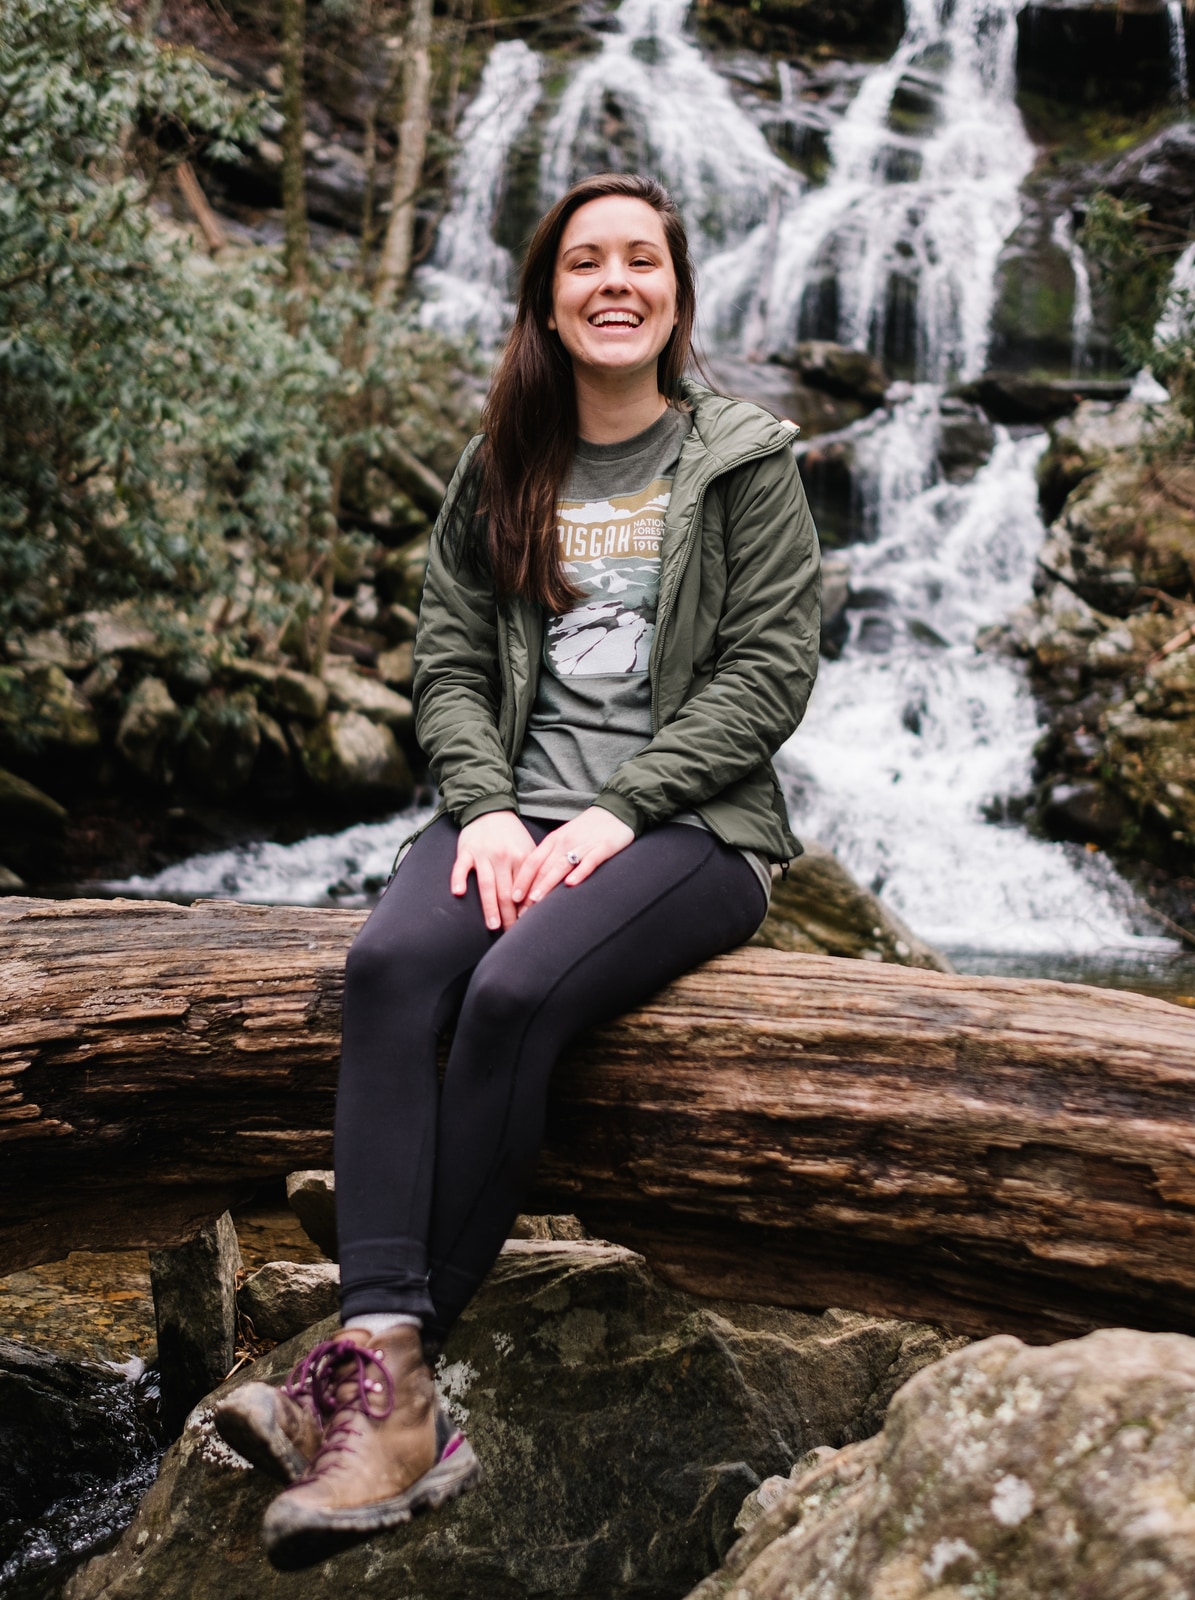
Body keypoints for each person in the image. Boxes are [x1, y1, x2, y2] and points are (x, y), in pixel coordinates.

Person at [214, 171, 820, 1571]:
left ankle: (363, 1400)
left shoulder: (745, 459)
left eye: (643, 262)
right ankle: (385, 1377)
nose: (616, 282)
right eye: (586, 262)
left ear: (675, 293)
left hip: (691, 833)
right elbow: (444, 664)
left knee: (512, 996)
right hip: (510, 815)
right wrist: (482, 806)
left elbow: (771, 673)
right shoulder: (501, 465)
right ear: (548, 295)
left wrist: (622, 810)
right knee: (392, 965)